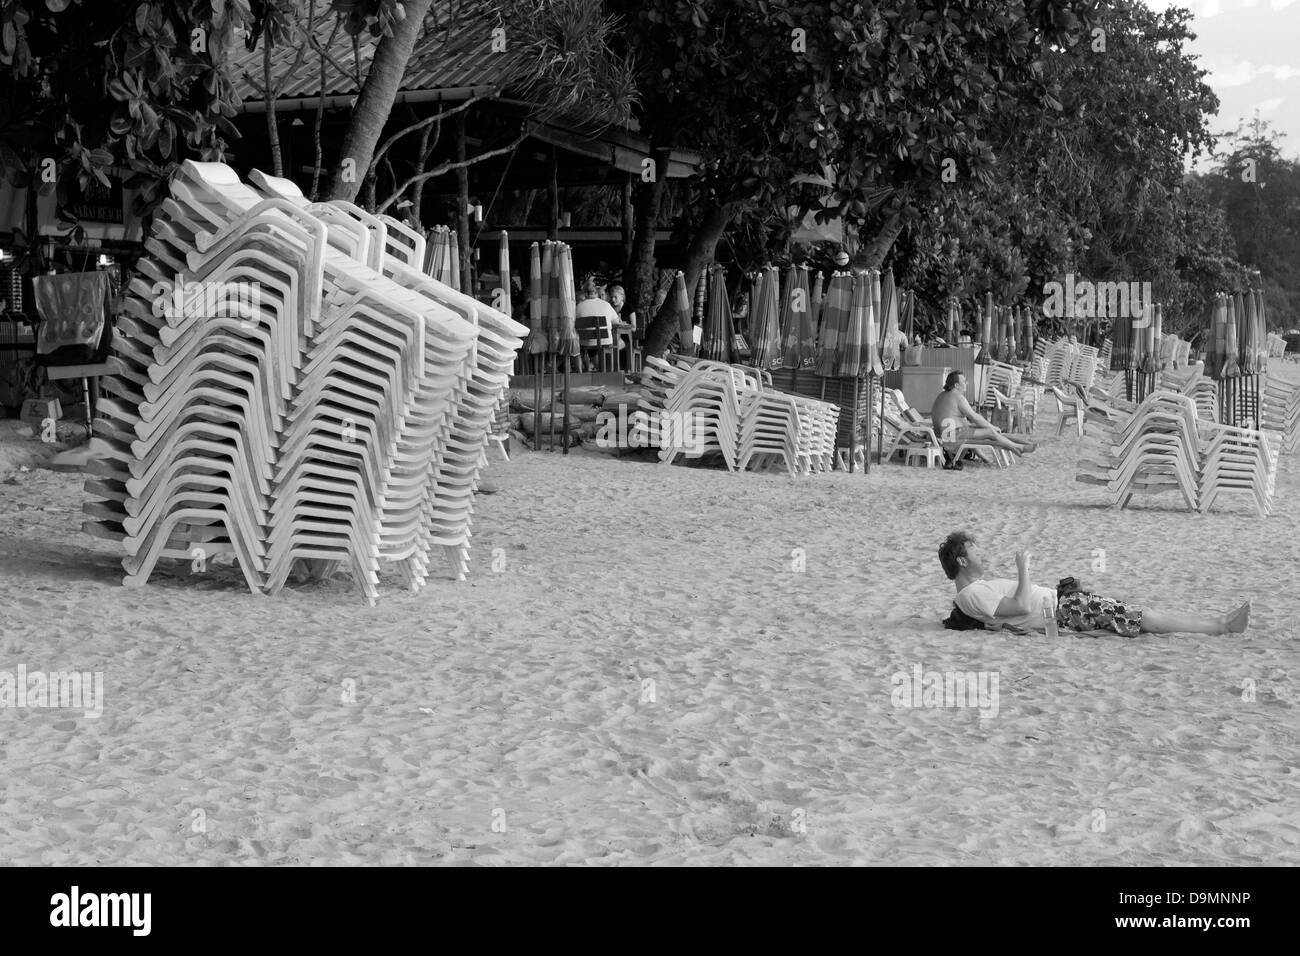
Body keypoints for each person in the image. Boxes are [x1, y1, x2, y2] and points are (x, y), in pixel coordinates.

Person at [938, 531, 1251, 636]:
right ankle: (1221, 625)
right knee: (1140, 618)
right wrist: (1024, 569)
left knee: (1135, 614)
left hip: (1065, 605)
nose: (981, 553)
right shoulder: (971, 594)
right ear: (962, 561)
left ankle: (1219, 623)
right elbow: (1019, 606)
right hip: (1063, 611)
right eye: (974, 550)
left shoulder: (974, 592)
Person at [930, 371, 1037, 458]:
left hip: (944, 436)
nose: (966, 383)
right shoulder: (957, 396)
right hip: (953, 437)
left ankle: (985, 458)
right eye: (964, 381)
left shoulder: (941, 396)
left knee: (977, 430)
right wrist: (992, 427)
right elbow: (974, 417)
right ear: (956, 385)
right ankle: (1018, 447)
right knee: (990, 432)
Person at [576, 276, 620, 371]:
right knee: (612, 340)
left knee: (592, 345)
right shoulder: (606, 305)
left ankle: (600, 369)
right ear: (596, 292)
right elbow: (617, 322)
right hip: (605, 341)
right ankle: (609, 370)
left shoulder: (578, 306)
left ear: (585, 293)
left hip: (585, 342)